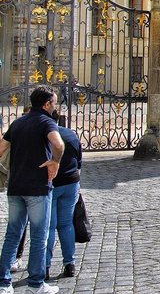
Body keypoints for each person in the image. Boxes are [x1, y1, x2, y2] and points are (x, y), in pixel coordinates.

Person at [0, 85, 65, 294]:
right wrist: (55, 161)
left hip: (16, 185)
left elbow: (1, 147)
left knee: (12, 234)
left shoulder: (18, 123)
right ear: (47, 104)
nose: (55, 106)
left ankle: (4, 283)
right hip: (37, 187)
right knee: (39, 235)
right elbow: (59, 144)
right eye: (54, 102)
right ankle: (36, 284)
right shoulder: (46, 122)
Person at [44, 104, 82, 280]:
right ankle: (70, 264)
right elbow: (79, 160)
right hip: (71, 182)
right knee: (66, 224)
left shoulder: (45, 136)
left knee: (50, 226)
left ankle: (45, 266)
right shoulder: (70, 134)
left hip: (51, 183)